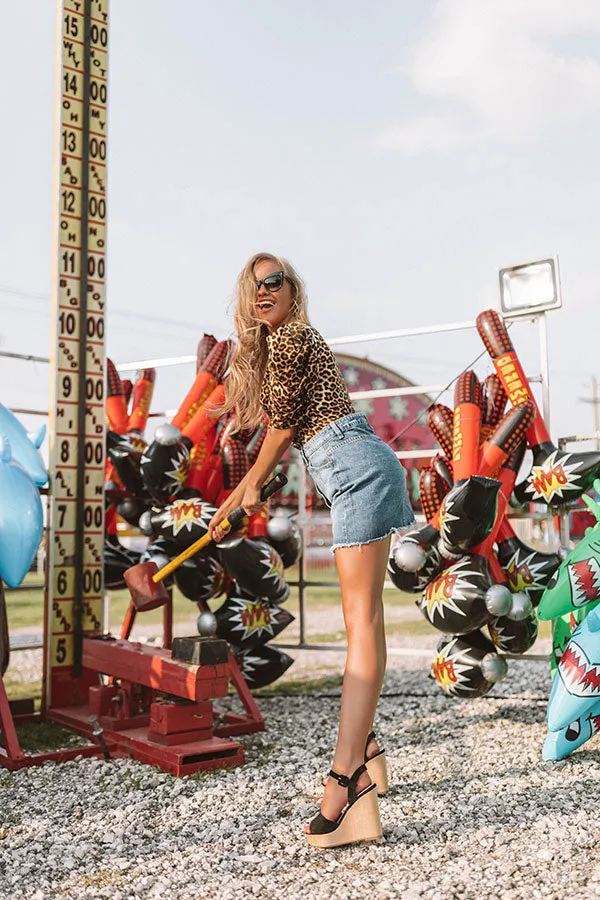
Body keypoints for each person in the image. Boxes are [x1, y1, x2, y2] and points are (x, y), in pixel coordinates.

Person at [208, 252, 415, 848]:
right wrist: (235, 502)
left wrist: (245, 491)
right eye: (254, 284)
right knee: (365, 621)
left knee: (361, 622)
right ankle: (366, 751)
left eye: (274, 281)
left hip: (356, 471)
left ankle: (345, 779)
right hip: (353, 466)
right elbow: (278, 447)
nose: (264, 290)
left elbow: (278, 432)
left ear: (292, 290)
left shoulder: (293, 337)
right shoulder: (283, 346)